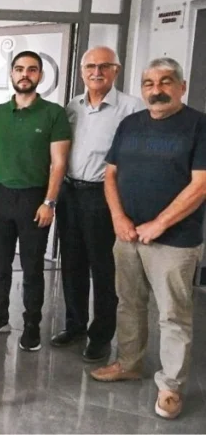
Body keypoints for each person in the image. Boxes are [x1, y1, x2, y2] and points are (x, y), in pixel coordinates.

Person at [90, 57, 206, 420]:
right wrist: (118, 218)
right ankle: (129, 363)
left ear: (182, 87)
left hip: (175, 240)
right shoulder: (130, 123)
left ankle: (171, 386)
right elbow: (110, 175)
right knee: (129, 303)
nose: (157, 90)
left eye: (166, 82)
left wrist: (159, 224)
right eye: (149, 83)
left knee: (173, 315)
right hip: (128, 235)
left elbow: (201, 184)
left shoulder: (199, 126)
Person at [0, 51, 71, 352]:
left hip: (34, 199)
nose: (24, 74)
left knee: (32, 267)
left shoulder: (54, 114)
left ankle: (31, 325)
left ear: (40, 75)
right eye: (19, 69)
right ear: (11, 74)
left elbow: (59, 163)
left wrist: (49, 202)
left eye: (31, 69)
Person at [51, 46, 145, 361]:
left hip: (103, 196)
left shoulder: (132, 108)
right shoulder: (72, 107)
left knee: (103, 269)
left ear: (116, 70)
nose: (97, 72)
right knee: (72, 264)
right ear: (81, 71)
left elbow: (136, 158)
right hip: (69, 193)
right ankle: (75, 325)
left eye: (104, 66)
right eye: (90, 66)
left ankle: (101, 335)